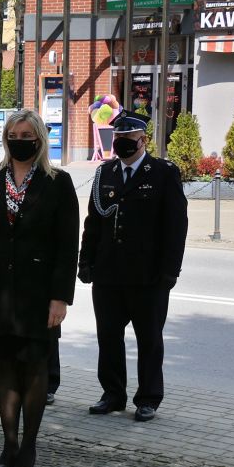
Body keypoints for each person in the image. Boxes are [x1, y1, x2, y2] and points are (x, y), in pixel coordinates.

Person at [0, 110, 79, 467]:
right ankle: (8, 444)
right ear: (5, 138)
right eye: (13, 133)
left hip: (39, 294)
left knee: (35, 368)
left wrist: (60, 297)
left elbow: (68, 246)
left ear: (38, 139)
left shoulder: (58, 182)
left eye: (27, 134)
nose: (19, 139)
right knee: (5, 368)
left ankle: (30, 443)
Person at [80, 107, 188, 422]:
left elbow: (175, 226)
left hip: (148, 276)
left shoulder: (163, 173)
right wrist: (85, 261)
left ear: (143, 140)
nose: (123, 143)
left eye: (129, 138)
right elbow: (94, 222)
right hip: (109, 273)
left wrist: (170, 271)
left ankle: (148, 398)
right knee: (108, 337)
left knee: (149, 339)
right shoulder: (105, 173)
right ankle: (113, 394)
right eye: (119, 138)